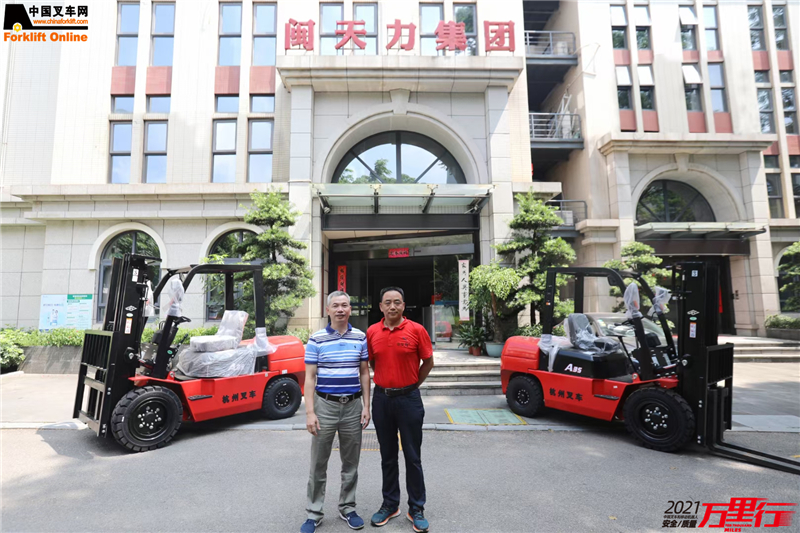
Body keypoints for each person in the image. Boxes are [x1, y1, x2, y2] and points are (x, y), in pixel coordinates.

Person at [301, 291, 371, 533]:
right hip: (325, 406)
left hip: (353, 406)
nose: (340, 309)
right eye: (335, 305)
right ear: (328, 310)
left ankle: (348, 508)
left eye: (344, 305)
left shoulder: (360, 337)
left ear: (350, 309)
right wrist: (310, 412)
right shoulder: (316, 339)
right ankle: (314, 512)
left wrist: (367, 406)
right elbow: (310, 378)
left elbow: (364, 373)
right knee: (318, 462)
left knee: (351, 462)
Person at [367, 287, 434, 533]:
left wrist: (412, 385)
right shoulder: (372, 332)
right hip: (382, 400)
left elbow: (428, 362)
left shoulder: (417, 330)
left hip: (409, 400)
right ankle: (390, 504)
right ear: (381, 306)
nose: (392, 306)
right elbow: (372, 362)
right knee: (387, 456)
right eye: (388, 302)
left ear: (403, 306)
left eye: (397, 302)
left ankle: (416, 507)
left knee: (412, 456)